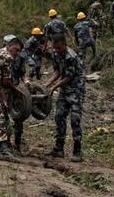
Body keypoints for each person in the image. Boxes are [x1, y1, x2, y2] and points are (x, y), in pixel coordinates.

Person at [43, 34, 85, 162]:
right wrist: (47, 83)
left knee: (74, 120)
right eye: (54, 48)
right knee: (59, 116)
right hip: (64, 90)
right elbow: (57, 71)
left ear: (65, 45)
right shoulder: (56, 53)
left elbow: (68, 77)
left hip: (76, 90)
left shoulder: (71, 56)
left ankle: (77, 152)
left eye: (59, 48)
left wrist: (54, 87)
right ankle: (58, 149)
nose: (56, 51)